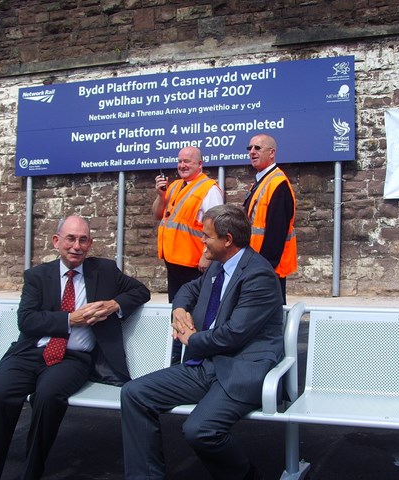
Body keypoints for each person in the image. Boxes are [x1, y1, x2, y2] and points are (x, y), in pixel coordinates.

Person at [0, 215, 150, 480]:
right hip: (29, 353)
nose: (76, 246)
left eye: (83, 240)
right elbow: (27, 320)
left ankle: (31, 472)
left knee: (47, 397)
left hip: (72, 358)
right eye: (70, 239)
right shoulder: (37, 276)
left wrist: (113, 305)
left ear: (90, 244)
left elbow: (140, 291)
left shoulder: (105, 271)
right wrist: (70, 319)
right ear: (56, 241)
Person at [121, 204, 284, 480]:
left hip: (238, 370)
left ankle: (246, 476)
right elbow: (188, 289)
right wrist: (179, 310)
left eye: (207, 235)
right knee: (134, 394)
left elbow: (234, 333)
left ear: (227, 240)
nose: (202, 240)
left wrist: (192, 339)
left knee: (200, 430)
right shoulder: (217, 267)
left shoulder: (259, 275)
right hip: (204, 365)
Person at [153, 145, 224, 301]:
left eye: (187, 161)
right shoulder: (174, 186)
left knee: (192, 307)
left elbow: (217, 226)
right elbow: (158, 215)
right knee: (177, 305)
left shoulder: (209, 189)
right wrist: (160, 195)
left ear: (200, 164)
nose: (182, 165)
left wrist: (207, 256)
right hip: (173, 261)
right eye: (179, 161)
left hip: (193, 264)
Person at [243, 133, 297, 303]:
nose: (252, 152)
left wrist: (263, 268)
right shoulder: (262, 181)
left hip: (267, 268)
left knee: (271, 315)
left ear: (272, 153)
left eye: (257, 148)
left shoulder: (277, 184)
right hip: (257, 264)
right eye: (249, 148)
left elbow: (276, 233)